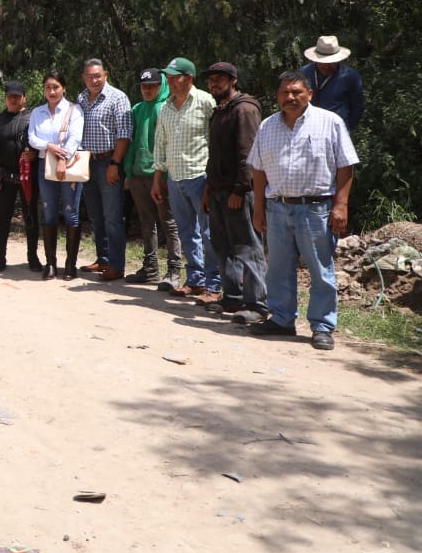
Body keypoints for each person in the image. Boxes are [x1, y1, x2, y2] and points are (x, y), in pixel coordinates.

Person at [248, 71, 358, 350]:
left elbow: (346, 165)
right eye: (285, 92)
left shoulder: (329, 122)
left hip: (316, 209)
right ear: (277, 96)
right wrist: (258, 208)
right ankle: (282, 319)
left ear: (309, 94)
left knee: (320, 271)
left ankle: (322, 326)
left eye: (296, 92)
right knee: (278, 269)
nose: (290, 97)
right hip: (277, 209)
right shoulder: (267, 126)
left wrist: (341, 205)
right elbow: (258, 170)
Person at [200, 62, 267, 318]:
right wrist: (208, 188)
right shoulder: (221, 110)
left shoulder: (245, 109)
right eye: (211, 79)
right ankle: (233, 297)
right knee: (223, 246)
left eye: (220, 79)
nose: (214, 83)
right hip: (217, 188)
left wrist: (240, 190)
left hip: (237, 191)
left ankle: (257, 304)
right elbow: (214, 154)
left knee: (247, 246)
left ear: (233, 81)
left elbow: (248, 154)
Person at [152, 57, 221, 298]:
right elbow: (160, 143)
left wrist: (213, 179)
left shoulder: (205, 102)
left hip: (200, 176)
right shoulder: (166, 107)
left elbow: (216, 140)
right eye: (168, 77)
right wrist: (157, 178)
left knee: (209, 232)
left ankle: (214, 284)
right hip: (175, 177)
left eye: (175, 76)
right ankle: (195, 279)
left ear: (189, 78)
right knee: (186, 232)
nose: (170, 81)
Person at [122, 69, 183, 288]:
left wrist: (165, 174)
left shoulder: (167, 109)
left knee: (169, 223)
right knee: (146, 223)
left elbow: (169, 145)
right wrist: (128, 172)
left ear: (162, 86)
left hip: (161, 175)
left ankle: (174, 271)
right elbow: (131, 142)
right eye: (144, 86)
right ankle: (150, 268)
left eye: (153, 85)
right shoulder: (137, 109)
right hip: (139, 175)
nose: (147, 90)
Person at [77, 58, 133, 281]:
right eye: (90, 76)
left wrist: (115, 164)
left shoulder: (117, 98)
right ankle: (103, 259)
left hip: (109, 162)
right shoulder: (81, 98)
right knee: (96, 215)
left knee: (112, 216)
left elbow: (124, 133)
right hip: (86, 163)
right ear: (84, 77)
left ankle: (117, 266)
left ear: (105, 75)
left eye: (98, 75)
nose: (94, 80)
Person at [27, 71, 85, 279]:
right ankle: (50, 263)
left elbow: (75, 137)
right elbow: (32, 138)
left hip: (69, 165)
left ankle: (71, 264)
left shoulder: (74, 110)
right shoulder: (37, 112)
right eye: (48, 88)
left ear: (64, 88)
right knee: (49, 212)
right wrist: (49, 146)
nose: (51, 91)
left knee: (71, 213)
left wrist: (62, 158)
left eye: (55, 87)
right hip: (45, 165)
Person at [0, 81, 41, 273]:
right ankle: (0, 257)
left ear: (24, 97)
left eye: (17, 96)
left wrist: (33, 153)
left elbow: (41, 143)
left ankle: (32, 257)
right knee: (3, 218)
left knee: (30, 216)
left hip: (28, 176)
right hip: (4, 176)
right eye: (10, 96)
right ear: (6, 98)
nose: (13, 99)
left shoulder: (34, 117)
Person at [300, 34, 364, 131]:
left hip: (337, 130)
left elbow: (357, 107)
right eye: (323, 62)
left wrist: (345, 129)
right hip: (307, 129)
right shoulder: (304, 74)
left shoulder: (350, 76)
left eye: (331, 62)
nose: (327, 65)